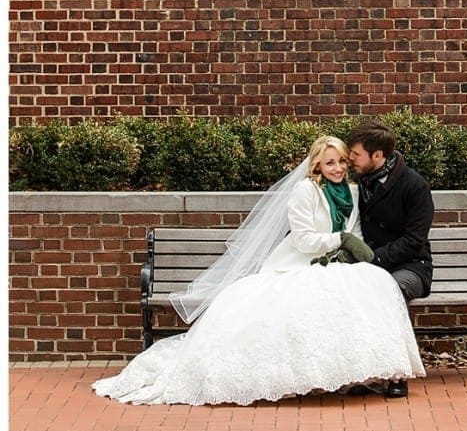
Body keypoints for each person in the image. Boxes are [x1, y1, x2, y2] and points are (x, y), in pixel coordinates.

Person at [92, 135, 425, 406]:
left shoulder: (353, 191)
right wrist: (340, 239)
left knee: (370, 289)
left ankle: (355, 373)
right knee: (290, 304)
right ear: (316, 166)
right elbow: (305, 239)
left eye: (341, 161)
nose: (338, 168)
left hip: (340, 263)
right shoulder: (306, 191)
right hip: (301, 261)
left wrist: (349, 249)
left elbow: (358, 231)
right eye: (330, 162)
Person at [347, 121, 435, 398]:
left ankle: (397, 374)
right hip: (368, 267)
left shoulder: (415, 186)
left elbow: (414, 240)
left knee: (389, 292)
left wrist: (373, 259)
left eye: (356, 154)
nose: (351, 159)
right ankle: (367, 372)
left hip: (411, 267)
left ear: (377, 155)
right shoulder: (358, 183)